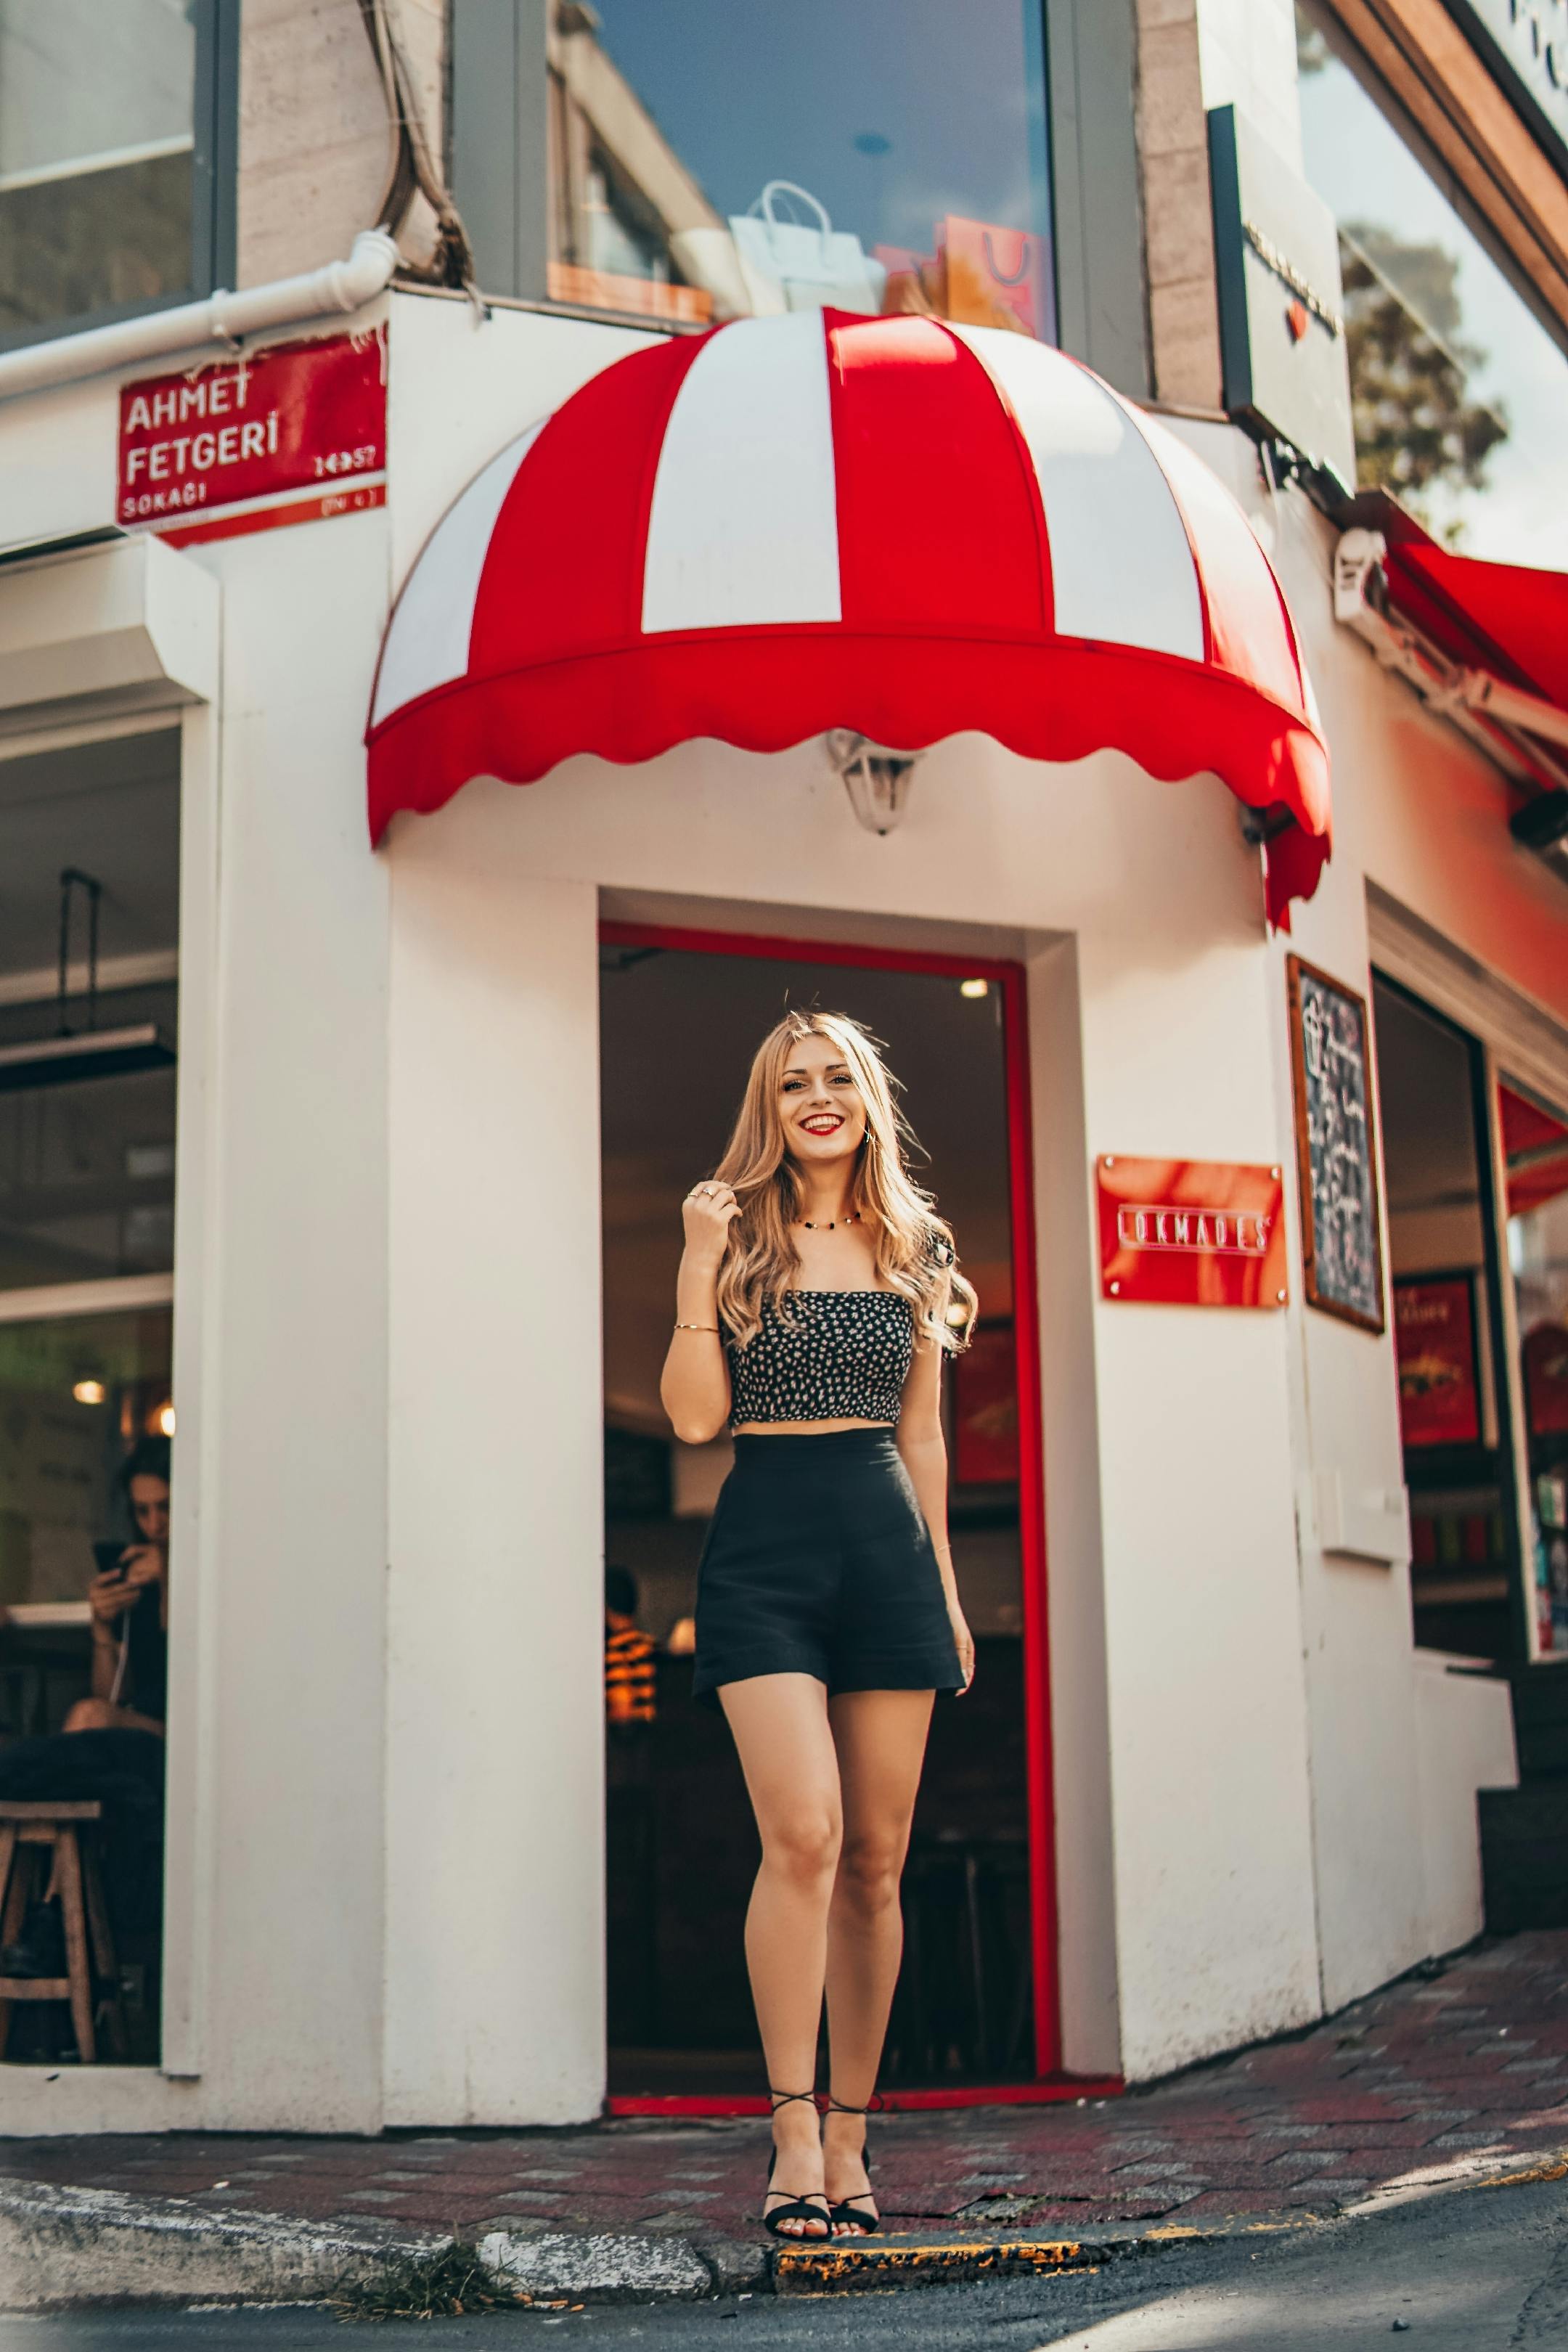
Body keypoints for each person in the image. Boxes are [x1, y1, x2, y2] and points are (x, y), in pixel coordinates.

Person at [659, 1009, 976, 2242]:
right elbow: (692, 1420)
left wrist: (945, 1591)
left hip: (888, 1551)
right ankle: (791, 2127)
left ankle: (852, 2136)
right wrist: (694, 1266)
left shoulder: (917, 1241)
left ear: (866, 1098)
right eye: (795, 1083)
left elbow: (925, 1435)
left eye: (838, 1077)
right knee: (804, 1834)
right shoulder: (733, 1230)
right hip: (764, 1556)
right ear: (770, 1107)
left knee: (879, 1861)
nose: (819, 1097)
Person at [66, 1435, 171, 1738]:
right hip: (144, 1724)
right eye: (143, 1511)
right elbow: (113, 1697)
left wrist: (170, 1575)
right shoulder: (136, 1576)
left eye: (165, 1507)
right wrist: (102, 1629)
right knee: (90, 1716)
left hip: (192, 1733)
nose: (155, 1524)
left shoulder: (210, 1579)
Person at [604, 1565, 658, 1727]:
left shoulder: (616, 1651)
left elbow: (622, 1710)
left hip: (630, 1739)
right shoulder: (648, 1645)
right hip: (654, 1736)